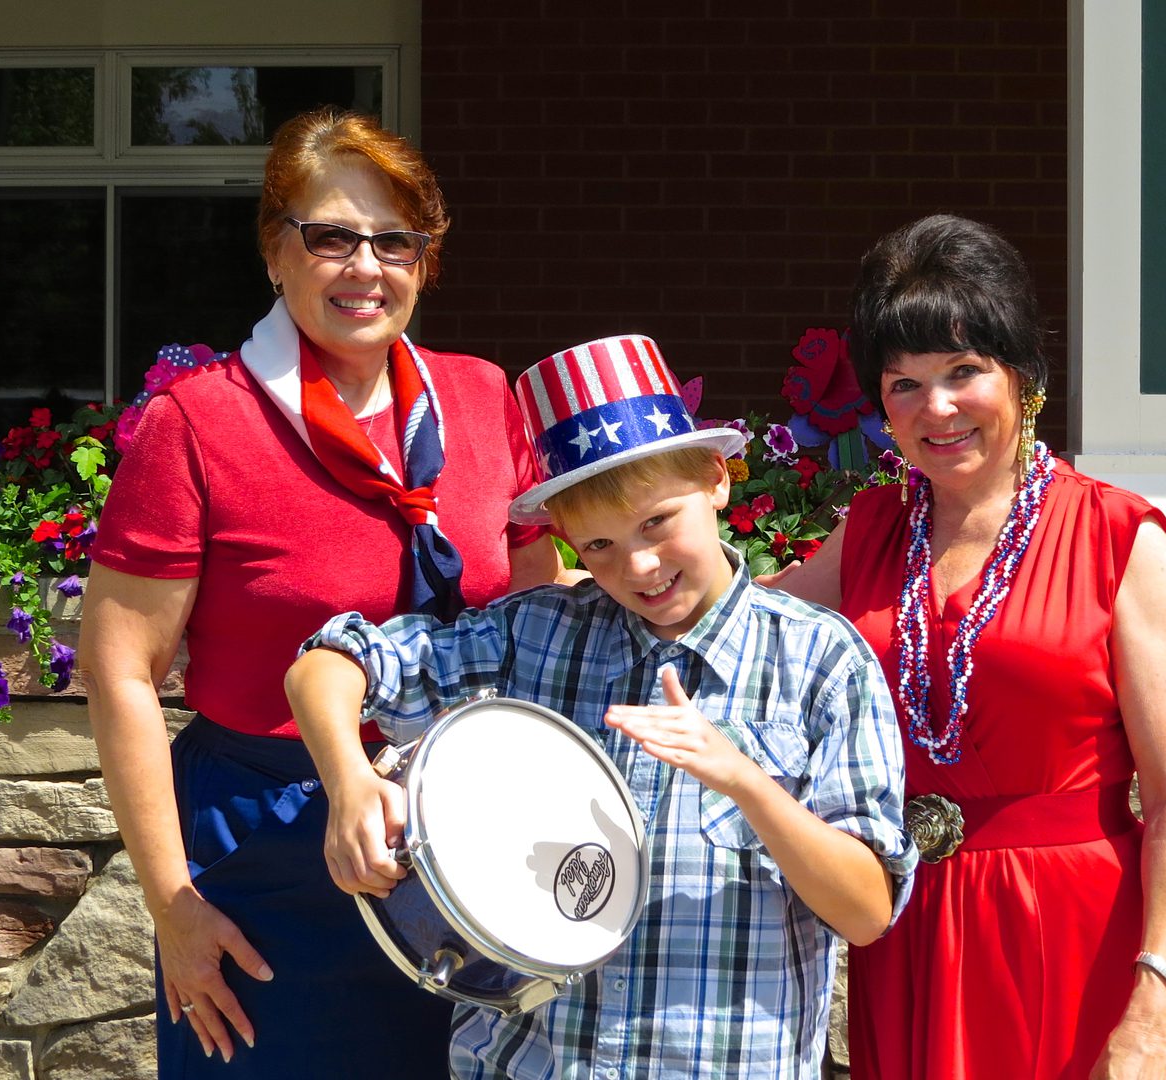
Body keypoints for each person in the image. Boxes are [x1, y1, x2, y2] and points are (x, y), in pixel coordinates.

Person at [283, 334, 918, 1079]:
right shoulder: (539, 634)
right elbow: (331, 660)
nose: (639, 567)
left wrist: (746, 781)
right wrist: (348, 781)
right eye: (601, 546)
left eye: (658, 523)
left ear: (717, 478)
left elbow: (868, 910)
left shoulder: (820, 661)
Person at [77, 108, 562, 1075]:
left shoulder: (480, 398)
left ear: (426, 263)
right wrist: (173, 904)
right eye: (332, 235)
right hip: (267, 858)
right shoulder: (199, 422)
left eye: (396, 242)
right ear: (274, 252)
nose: (365, 267)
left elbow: (533, 603)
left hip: (464, 835)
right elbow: (120, 671)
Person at [767, 215, 1166, 1079]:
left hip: (1067, 931)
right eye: (904, 384)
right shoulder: (869, 530)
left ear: (1023, 376)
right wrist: (592, 567)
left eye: (964, 372)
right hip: (910, 926)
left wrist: (1155, 1000)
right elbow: (737, 619)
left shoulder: (1118, 536)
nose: (935, 408)